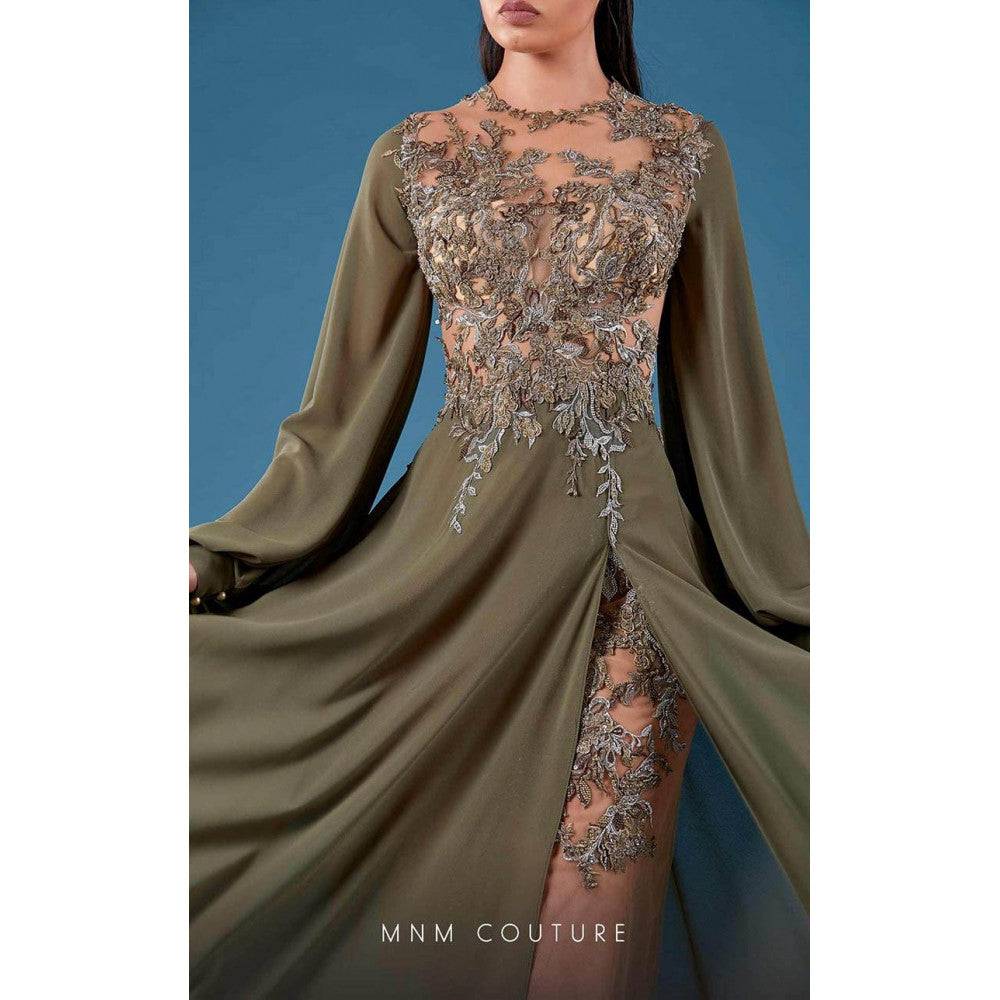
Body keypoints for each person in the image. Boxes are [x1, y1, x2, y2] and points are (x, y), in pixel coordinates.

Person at [189, 1, 809, 997]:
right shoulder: (414, 156)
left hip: (631, 572)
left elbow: (730, 413)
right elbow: (339, 417)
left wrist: (794, 596)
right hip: (440, 578)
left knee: (588, 934)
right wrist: (220, 556)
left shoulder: (684, 152)